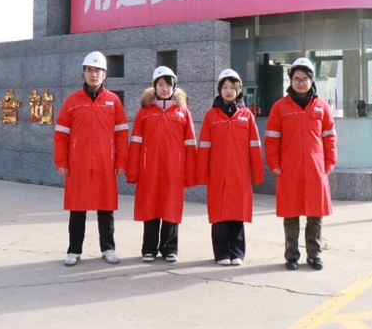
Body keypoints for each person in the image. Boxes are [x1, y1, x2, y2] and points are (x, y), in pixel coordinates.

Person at [53, 51, 129, 267]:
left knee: (106, 209)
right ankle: (74, 250)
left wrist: (121, 161)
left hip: (106, 164)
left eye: (98, 71)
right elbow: (61, 135)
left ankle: (108, 248)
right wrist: (61, 162)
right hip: (78, 164)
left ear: (105, 74)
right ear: (83, 73)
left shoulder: (113, 101)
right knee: (77, 209)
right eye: (89, 70)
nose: (94, 74)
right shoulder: (72, 102)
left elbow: (122, 134)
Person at [264, 57, 337, 271]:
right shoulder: (280, 107)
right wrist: (273, 162)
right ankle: (292, 256)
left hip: (315, 168)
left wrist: (330, 161)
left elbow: (330, 136)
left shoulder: (321, 106)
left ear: (312, 80)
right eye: (296, 79)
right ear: (291, 80)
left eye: (305, 79)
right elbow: (272, 138)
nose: (301, 83)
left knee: (315, 215)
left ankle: (314, 255)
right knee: (291, 214)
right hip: (289, 168)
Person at [127, 66, 197, 263]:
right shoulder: (144, 112)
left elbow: (190, 144)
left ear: (174, 87)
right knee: (150, 206)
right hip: (149, 169)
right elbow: (136, 143)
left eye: (168, 85)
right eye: (160, 85)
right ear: (154, 87)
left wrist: (190, 172)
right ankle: (148, 248)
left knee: (170, 207)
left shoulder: (183, 112)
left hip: (174, 170)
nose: (164, 89)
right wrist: (133, 171)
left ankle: (170, 248)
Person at [196, 69, 264, 266]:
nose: (228, 91)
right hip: (217, 173)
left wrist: (257, 174)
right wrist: (202, 174)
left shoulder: (247, 116)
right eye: (224, 87)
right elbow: (204, 148)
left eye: (232, 87)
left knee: (237, 213)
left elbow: (254, 147)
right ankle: (221, 253)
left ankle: (237, 252)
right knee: (219, 215)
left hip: (240, 173)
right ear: (219, 90)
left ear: (239, 90)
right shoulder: (211, 116)